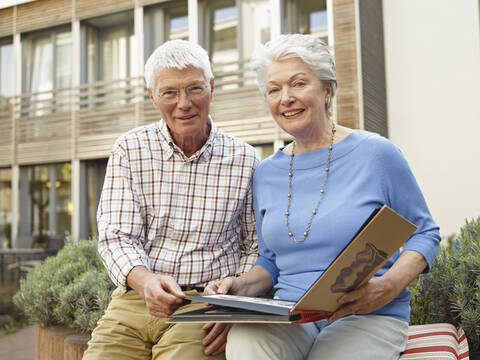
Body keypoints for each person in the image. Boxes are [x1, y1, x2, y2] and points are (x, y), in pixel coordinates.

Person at [205, 34, 441, 360]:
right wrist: (238, 287)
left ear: (327, 90)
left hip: (368, 314)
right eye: (274, 89)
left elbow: (425, 232)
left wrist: (388, 287)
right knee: (247, 342)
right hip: (292, 315)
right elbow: (271, 262)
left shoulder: (376, 153)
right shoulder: (266, 172)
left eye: (298, 83)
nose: (285, 97)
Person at [83, 40, 258, 360]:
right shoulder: (129, 149)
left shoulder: (245, 158)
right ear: (152, 96)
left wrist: (236, 299)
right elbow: (116, 237)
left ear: (212, 87)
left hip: (204, 305)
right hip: (136, 298)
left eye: (194, 88)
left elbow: (255, 244)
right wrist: (145, 281)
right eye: (169, 93)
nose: (184, 103)